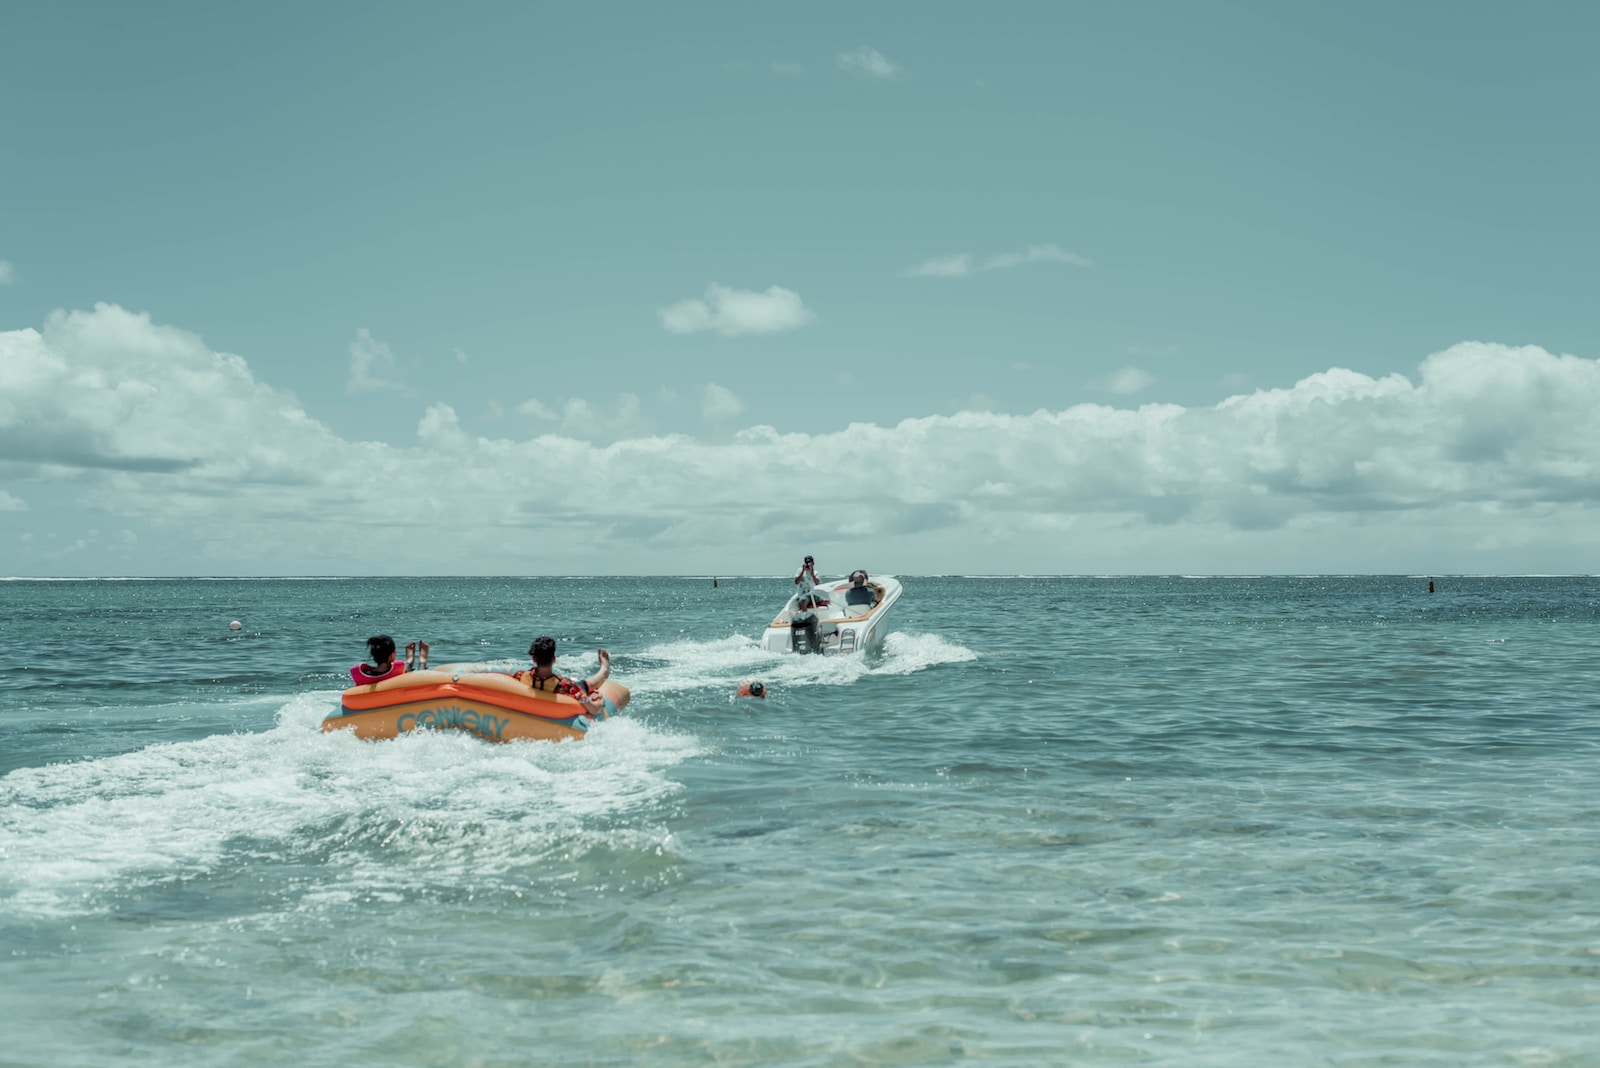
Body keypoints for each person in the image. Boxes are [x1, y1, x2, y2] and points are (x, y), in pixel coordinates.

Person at [517, 635, 610, 716]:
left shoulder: (520, 676)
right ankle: (603, 671)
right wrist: (600, 701)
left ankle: (603, 671)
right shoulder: (567, 687)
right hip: (566, 688)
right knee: (585, 684)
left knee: (583, 684)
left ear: (533, 659)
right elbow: (593, 709)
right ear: (554, 659)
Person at [350, 635, 427, 685]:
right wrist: (411, 659)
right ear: (391, 656)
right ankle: (421, 660)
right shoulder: (398, 672)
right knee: (412, 671)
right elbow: (419, 679)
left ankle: (411, 659)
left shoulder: (364, 675)